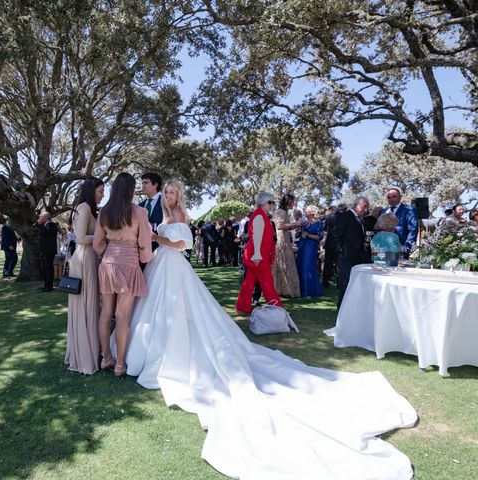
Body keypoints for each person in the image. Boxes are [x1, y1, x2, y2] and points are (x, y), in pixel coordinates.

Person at [124, 181, 417, 480]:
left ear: (179, 196)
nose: (170, 196)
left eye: (173, 193)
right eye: (168, 193)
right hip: (162, 267)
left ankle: (220, 329)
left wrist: (156, 236)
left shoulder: (183, 216)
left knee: (214, 303)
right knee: (166, 310)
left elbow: (184, 244)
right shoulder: (162, 213)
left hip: (176, 266)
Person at [93, 172, 152, 377]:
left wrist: (107, 255)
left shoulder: (105, 212)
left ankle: (105, 358)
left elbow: (97, 244)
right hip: (128, 264)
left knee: (106, 312)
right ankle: (119, 364)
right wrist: (145, 259)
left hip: (108, 264)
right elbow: (145, 244)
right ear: (130, 189)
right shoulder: (139, 212)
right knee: (122, 316)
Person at [65, 178, 105, 375]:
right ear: (91, 191)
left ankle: (91, 350)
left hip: (89, 259)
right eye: (100, 192)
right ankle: (85, 356)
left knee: (90, 305)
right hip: (83, 260)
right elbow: (81, 238)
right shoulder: (84, 208)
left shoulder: (88, 209)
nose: (102, 195)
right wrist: (104, 236)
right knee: (85, 306)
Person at [235, 192, 282, 313]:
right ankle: (277, 308)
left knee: (249, 282)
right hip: (257, 254)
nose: (272, 205)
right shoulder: (259, 216)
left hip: (258, 253)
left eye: (273, 202)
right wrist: (257, 254)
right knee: (267, 283)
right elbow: (256, 236)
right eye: (269, 202)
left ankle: (242, 306)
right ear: (262, 202)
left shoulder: (261, 215)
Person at [333, 196, 370, 309]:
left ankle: (351, 310)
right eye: (364, 206)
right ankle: (342, 311)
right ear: (356, 205)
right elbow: (336, 235)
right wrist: (342, 252)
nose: (366, 209)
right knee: (345, 285)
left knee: (354, 285)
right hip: (346, 258)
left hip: (358, 258)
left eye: (367, 207)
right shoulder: (345, 216)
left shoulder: (361, 220)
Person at [272, 193, 301, 298]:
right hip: (281, 241)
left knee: (286, 265)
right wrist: (295, 224)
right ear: (288, 202)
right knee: (282, 265)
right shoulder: (281, 212)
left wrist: (295, 226)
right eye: (293, 201)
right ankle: (281, 289)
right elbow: (279, 226)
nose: (294, 203)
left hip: (286, 240)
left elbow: (286, 227)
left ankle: (284, 289)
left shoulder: (285, 212)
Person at [296, 205, 324, 298]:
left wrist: (308, 235)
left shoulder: (318, 222)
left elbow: (320, 237)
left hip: (311, 247)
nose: (306, 212)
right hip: (302, 245)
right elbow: (298, 234)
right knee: (300, 266)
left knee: (307, 267)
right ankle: (299, 290)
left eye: (308, 211)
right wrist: (300, 232)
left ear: (312, 212)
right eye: (306, 211)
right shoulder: (304, 222)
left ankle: (309, 291)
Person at [138, 172, 163, 251]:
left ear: (155, 184)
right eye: (142, 183)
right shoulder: (139, 206)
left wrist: (153, 226)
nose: (143, 186)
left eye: (146, 183)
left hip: (159, 249)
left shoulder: (165, 203)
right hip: (140, 250)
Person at [35, 211, 58, 292]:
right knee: (43, 268)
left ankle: (49, 286)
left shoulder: (51, 224)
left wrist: (40, 225)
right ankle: (46, 284)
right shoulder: (44, 225)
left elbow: (47, 232)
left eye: (41, 216)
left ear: (46, 217)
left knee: (48, 269)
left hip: (49, 251)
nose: (39, 218)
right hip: (44, 250)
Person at [321, 205, 339, 288]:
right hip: (338, 244)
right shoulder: (341, 219)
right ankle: (339, 282)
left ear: (332, 211)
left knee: (328, 263)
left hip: (330, 244)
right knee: (338, 264)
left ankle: (325, 282)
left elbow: (325, 232)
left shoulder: (329, 219)